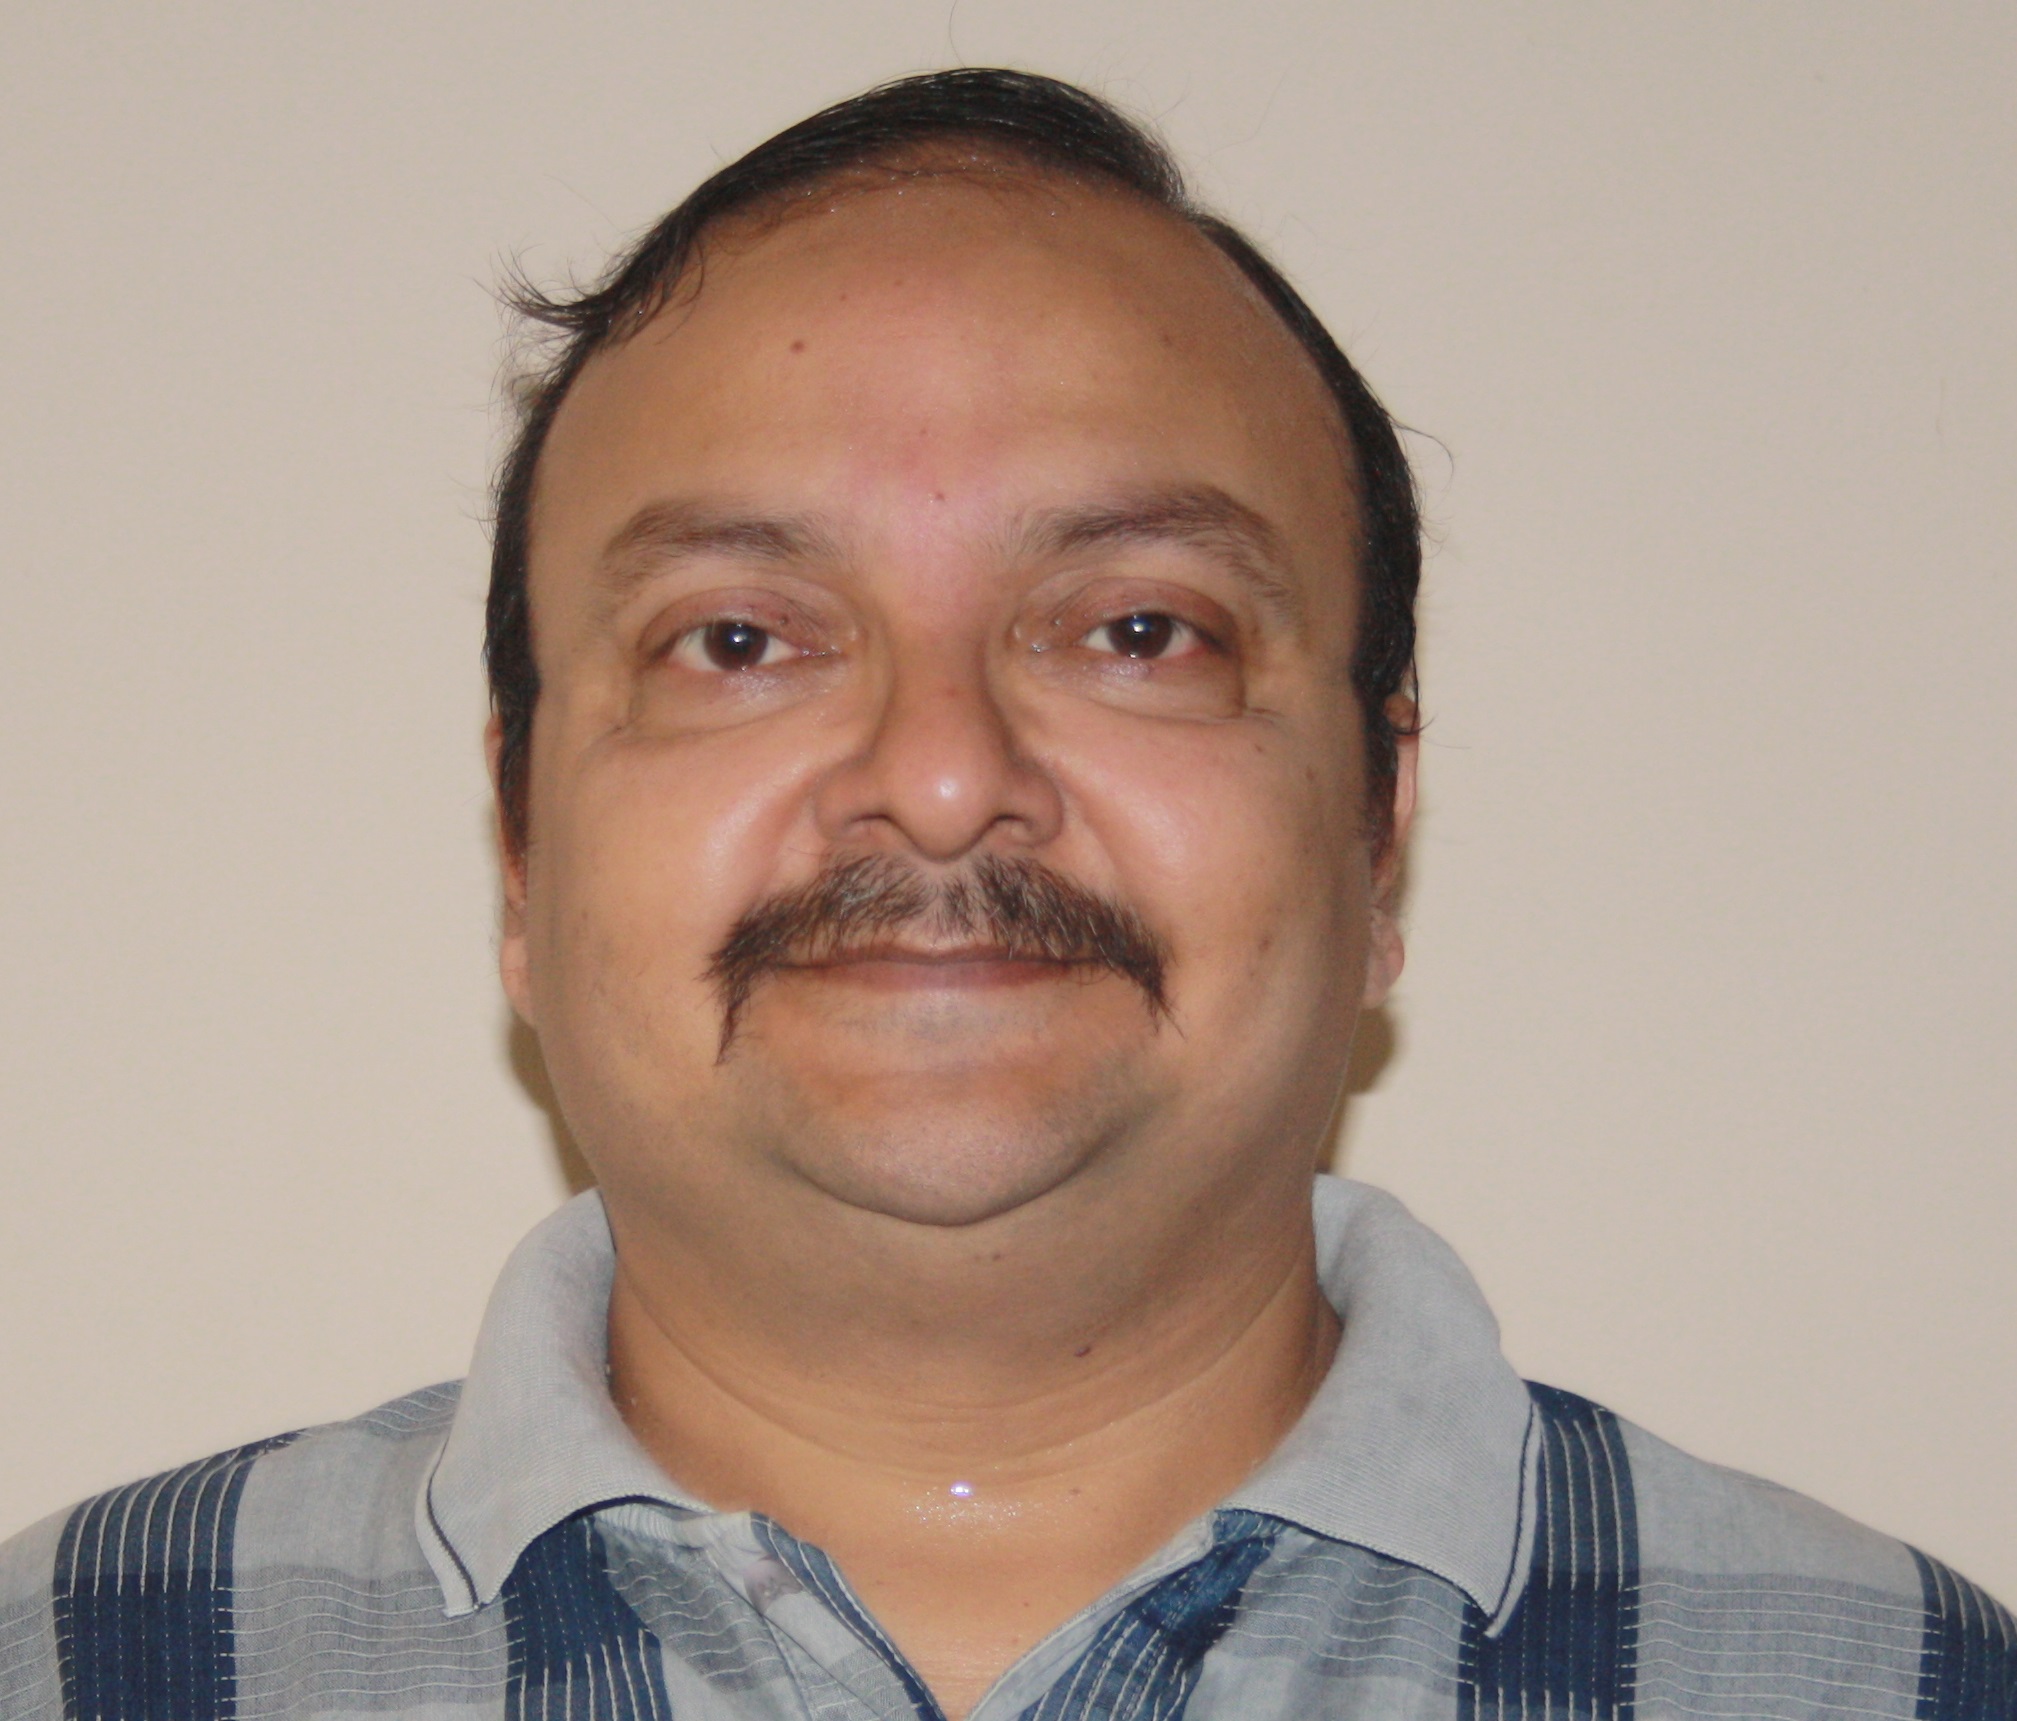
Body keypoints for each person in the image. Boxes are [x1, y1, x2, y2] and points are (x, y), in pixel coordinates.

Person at [0, 67, 2009, 1721]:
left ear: (1377, 821)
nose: (945, 774)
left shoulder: (1902, 1686)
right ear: (521, 843)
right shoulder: (78, 1671)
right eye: (736, 640)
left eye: (1138, 629)